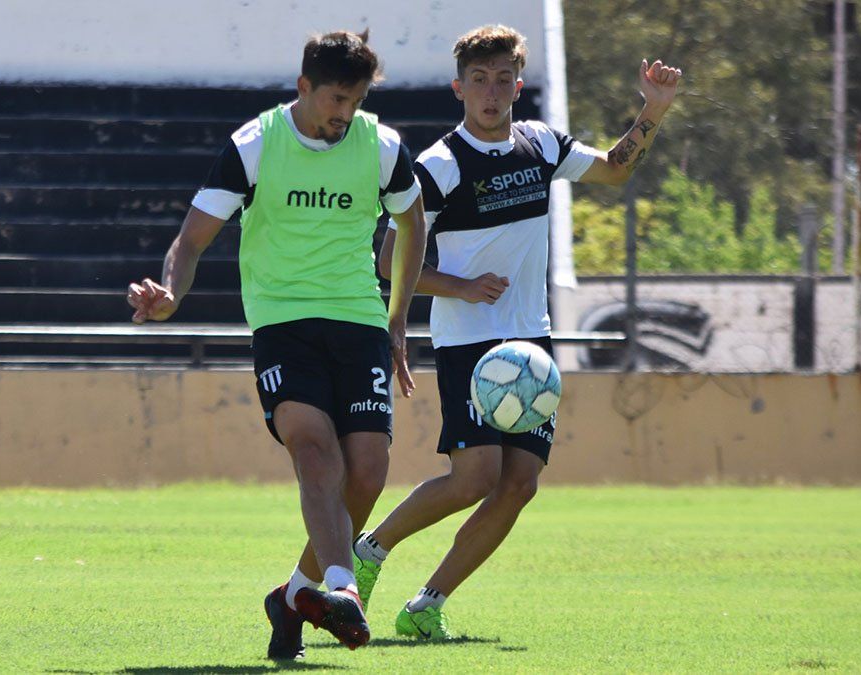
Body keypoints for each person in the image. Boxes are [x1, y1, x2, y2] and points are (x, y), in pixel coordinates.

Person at [356, 24, 682, 639]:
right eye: (478, 79)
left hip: (533, 343)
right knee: (474, 478)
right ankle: (369, 552)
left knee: (519, 485)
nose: (491, 90)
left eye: (503, 78)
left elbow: (614, 170)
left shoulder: (542, 145)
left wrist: (654, 109)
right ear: (458, 88)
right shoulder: (440, 166)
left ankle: (425, 608)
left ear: (518, 85)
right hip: (469, 343)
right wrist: (459, 287)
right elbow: (387, 259)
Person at [126, 30, 427, 658]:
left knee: (368, 472)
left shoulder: (383, 146)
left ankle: (294, 595)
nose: (344, 114)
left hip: (359, 321)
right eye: (336, 100)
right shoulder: (256, 144)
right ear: (304, 88)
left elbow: (411, 221)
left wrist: (397, 319)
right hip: (283, 322)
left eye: (356, 101)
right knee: (316, 452)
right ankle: (342, 586)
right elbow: (192, 238)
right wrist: (172, 293)